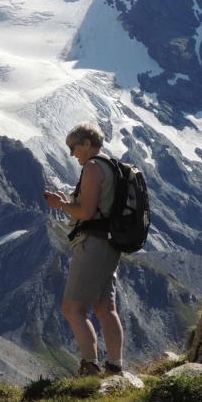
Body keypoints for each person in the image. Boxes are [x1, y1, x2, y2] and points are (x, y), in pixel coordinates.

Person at [44, 123, 125, 377]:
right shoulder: (110, 165)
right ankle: (115, 367)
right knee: (104, 306)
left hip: (93, 243)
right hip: (110, 243)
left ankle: (90, 366)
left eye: (74, 147)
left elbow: (87, 213)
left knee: (72, 307)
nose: (72, 154)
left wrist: (61, 205)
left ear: (87, 144)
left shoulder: (91, 167)